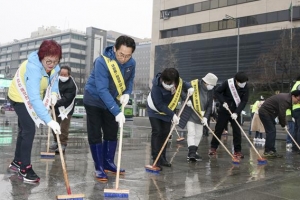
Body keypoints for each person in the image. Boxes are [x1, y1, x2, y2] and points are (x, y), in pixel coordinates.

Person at [7, 40, 62, 182]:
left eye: (55, 61)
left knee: (24, 129)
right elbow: (34, 98)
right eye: (48, 61)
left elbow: (54, 81)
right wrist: (49, 121)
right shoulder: (33, 68)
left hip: (33, 95)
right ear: (41, 57)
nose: (52, 65)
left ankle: (17, 162)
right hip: (19, 95)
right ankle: (25, 168)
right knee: (29, 129)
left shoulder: (55, 67)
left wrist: (55, 94)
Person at [83, 35, 136, 181]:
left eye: (128, 55)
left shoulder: (132, 63)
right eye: (121, 54)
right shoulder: (102, 62)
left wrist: (127, 93)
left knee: (112, 132)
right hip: (94, 99)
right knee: (95, 133)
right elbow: (102, 89)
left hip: (112, 100)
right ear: (114, 49)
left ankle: (108, 163)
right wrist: (117, 111)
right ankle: (99, 167)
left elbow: (130, 80)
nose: (124, 58)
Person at [147, 68, 194, 170]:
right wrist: (173, 115)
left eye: (171, 82)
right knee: (157, 132)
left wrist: (190, 88)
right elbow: (159, 104)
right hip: (155, 111)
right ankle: (156, 158)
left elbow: (185, 84)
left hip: (168, 111)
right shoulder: (156, 87)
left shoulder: (177, 81)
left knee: (165, 134)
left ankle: (163, 158)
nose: (168, 84)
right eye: (166, 82)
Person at [178, 73, 218, 161]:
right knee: (191, 132)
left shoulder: (210, 91)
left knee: (199, 134)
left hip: (201, 115)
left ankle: (194, 152)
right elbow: (180, 90)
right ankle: (191, 153)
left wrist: (206, 117)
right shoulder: (194, 84)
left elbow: (209, 105)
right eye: (211, 85)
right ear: (206, 82)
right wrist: (187, 99)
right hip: (191, 113)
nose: (212, 87)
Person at [209, 72, 249, 159]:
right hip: (224, 109)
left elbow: (244, 101)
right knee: (219, 129)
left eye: (245, 82)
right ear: (237, 81)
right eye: (242, 82)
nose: (243, 84)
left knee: (237, 131)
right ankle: (213, 148)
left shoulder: (245, 87)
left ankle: (237, 151)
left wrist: (237, 112)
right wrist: (223, 102)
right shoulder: (228, 83)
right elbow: (217, 92)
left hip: (235, 111)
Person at [259, 90, 300, 158]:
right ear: (293, 96)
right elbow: (282, 114)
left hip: (271, 113)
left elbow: (289, 110)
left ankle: (272, 150)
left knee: (272, 131)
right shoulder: (285, 100)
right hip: (265, 112)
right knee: (271, 131)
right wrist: (284, 124)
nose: (298, 102)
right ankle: (268, 151)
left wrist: (291, 117)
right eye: (298, 100)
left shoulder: (289, 99)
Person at [49, 65, 77, 153]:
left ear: (69, 75)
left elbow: (67, 99)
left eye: (65, 75)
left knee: (64, 127)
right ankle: (55, 141)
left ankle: (63, 143)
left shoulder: (71, 85)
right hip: (56, 108)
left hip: (66, 109)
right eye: (61, 74)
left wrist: (55, 103)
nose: (63, 76)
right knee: (54, 125)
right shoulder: (55, 81)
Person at [291, 76, 300, 152]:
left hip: (295, 109)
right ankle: (298, 147)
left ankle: (295, 147)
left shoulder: (295, 84)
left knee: (296, 129)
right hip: (299, 108)